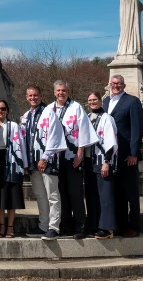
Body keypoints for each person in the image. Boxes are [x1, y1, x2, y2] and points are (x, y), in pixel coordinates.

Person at [51, 80, 98, 239]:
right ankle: (66, 225)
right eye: (58, 90)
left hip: (73, 156)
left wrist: (80, 153)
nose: (61, 93)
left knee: (75, 192)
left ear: (68, 92)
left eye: (63, 90)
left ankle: (80, 226)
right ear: (54, 92)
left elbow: (84, 130)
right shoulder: (50, 108)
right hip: (56, 158)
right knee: (62, 193)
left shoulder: (76, 107)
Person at [21, 85, 67, 239]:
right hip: (33, 162)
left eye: (35, 95)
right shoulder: (26, 116)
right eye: (30, 95)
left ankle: (54, 227)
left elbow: (55, 136)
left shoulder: (48, 112)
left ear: (41, 95)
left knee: (52, 195)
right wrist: (26, 162)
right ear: (26, 97)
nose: (33, 98)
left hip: (47, 161)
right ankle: (43, 225)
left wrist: (45, 157)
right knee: (40, 195)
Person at [106, 74, 143, 237]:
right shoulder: (106, 102)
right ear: (110, 84)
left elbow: (137, 129)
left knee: (131, 192)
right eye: (113, 83)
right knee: (117, 192)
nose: (116, 86)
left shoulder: (132, 101)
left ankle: (134, 226)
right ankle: (120, 225)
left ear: (124, 85)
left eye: (119, 83)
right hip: (112, 155)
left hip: (127, 155)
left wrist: (133, 153)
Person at [0, 100, 27, 238]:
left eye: (3, 108)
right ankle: (1, 225)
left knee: (11, 194)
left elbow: (20, 144)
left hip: (11, 160)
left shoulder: (13, 126)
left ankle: (10, 226)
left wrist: (24, 164)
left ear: (7, 111)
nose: (0, 111)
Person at [85, 91, 118, 239]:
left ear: (100, 101)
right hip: (89, 161)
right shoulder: (87, 117)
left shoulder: (107, 118)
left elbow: (111, 142)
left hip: (102, 161)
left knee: (105, 196)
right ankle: (93, 225)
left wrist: (106, 162)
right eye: (90, 100)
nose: (92, 102)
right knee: (92, 195)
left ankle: (107, 228)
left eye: (95, 99)